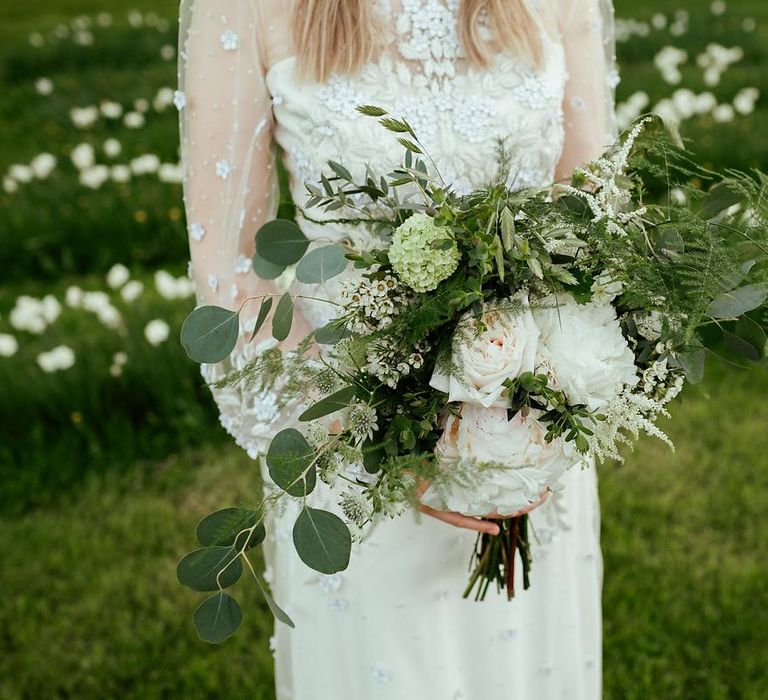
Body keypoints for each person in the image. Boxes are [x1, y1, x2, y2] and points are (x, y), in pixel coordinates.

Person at [177, 1, 618, 697]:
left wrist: (533, 416)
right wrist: (393, 437)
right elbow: (231, 269)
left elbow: (592, 209)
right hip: (352, 454)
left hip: (528, 439)